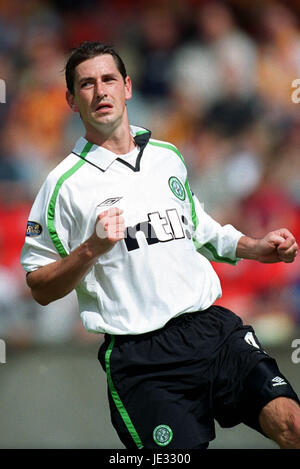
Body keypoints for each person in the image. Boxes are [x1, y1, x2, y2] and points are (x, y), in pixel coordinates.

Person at [20, 41, 300, 450]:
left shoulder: (167, 156)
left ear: (128, 87)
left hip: (210, 328)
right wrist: (90, 250)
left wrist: (256, 247)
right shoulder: (63, 186)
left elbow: (198, 227)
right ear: (70, 100)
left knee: (292, 423)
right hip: (143, 359)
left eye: (109, 80)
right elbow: (39, 286)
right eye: (86, 85)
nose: (100, 92)